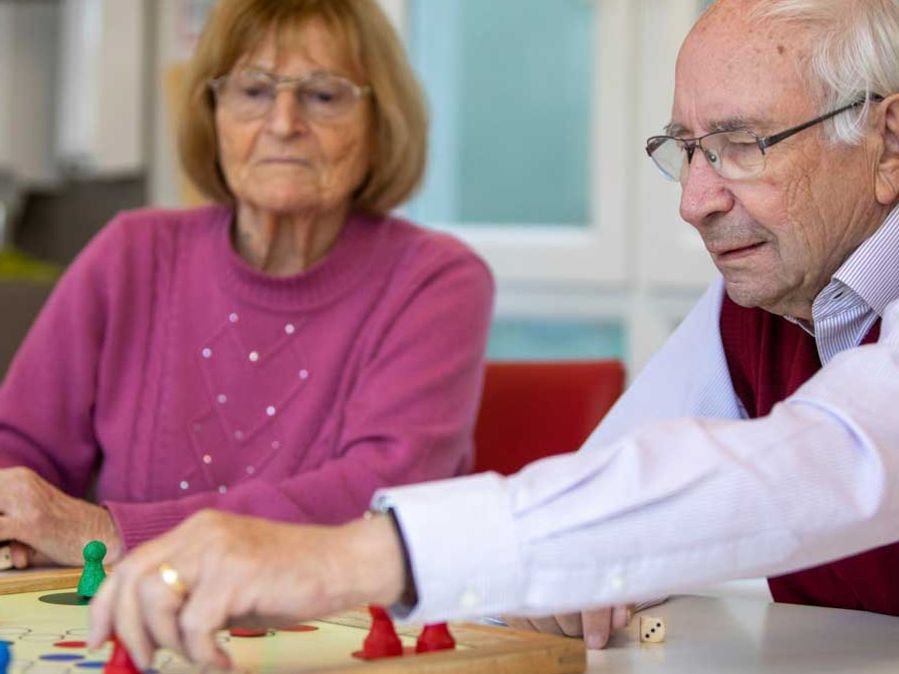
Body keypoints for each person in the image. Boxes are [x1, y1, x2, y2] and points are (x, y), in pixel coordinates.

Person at [88, 0, 899, 666]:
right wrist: (573, 564)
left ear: (888, 142)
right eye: (686, 149)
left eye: (740, 145)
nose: (693, 202)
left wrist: (350, 558)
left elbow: (837, 458)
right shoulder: (761, 305)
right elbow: (613, 487)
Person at [0, 0, 492, 570]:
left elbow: (380, 502)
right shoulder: (132, 253)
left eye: (324, 95)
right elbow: (19, 447)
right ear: (212, 114)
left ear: (380, 124)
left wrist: (116, 533)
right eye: (253, 91)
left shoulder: (436, 280)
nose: (283, 124)